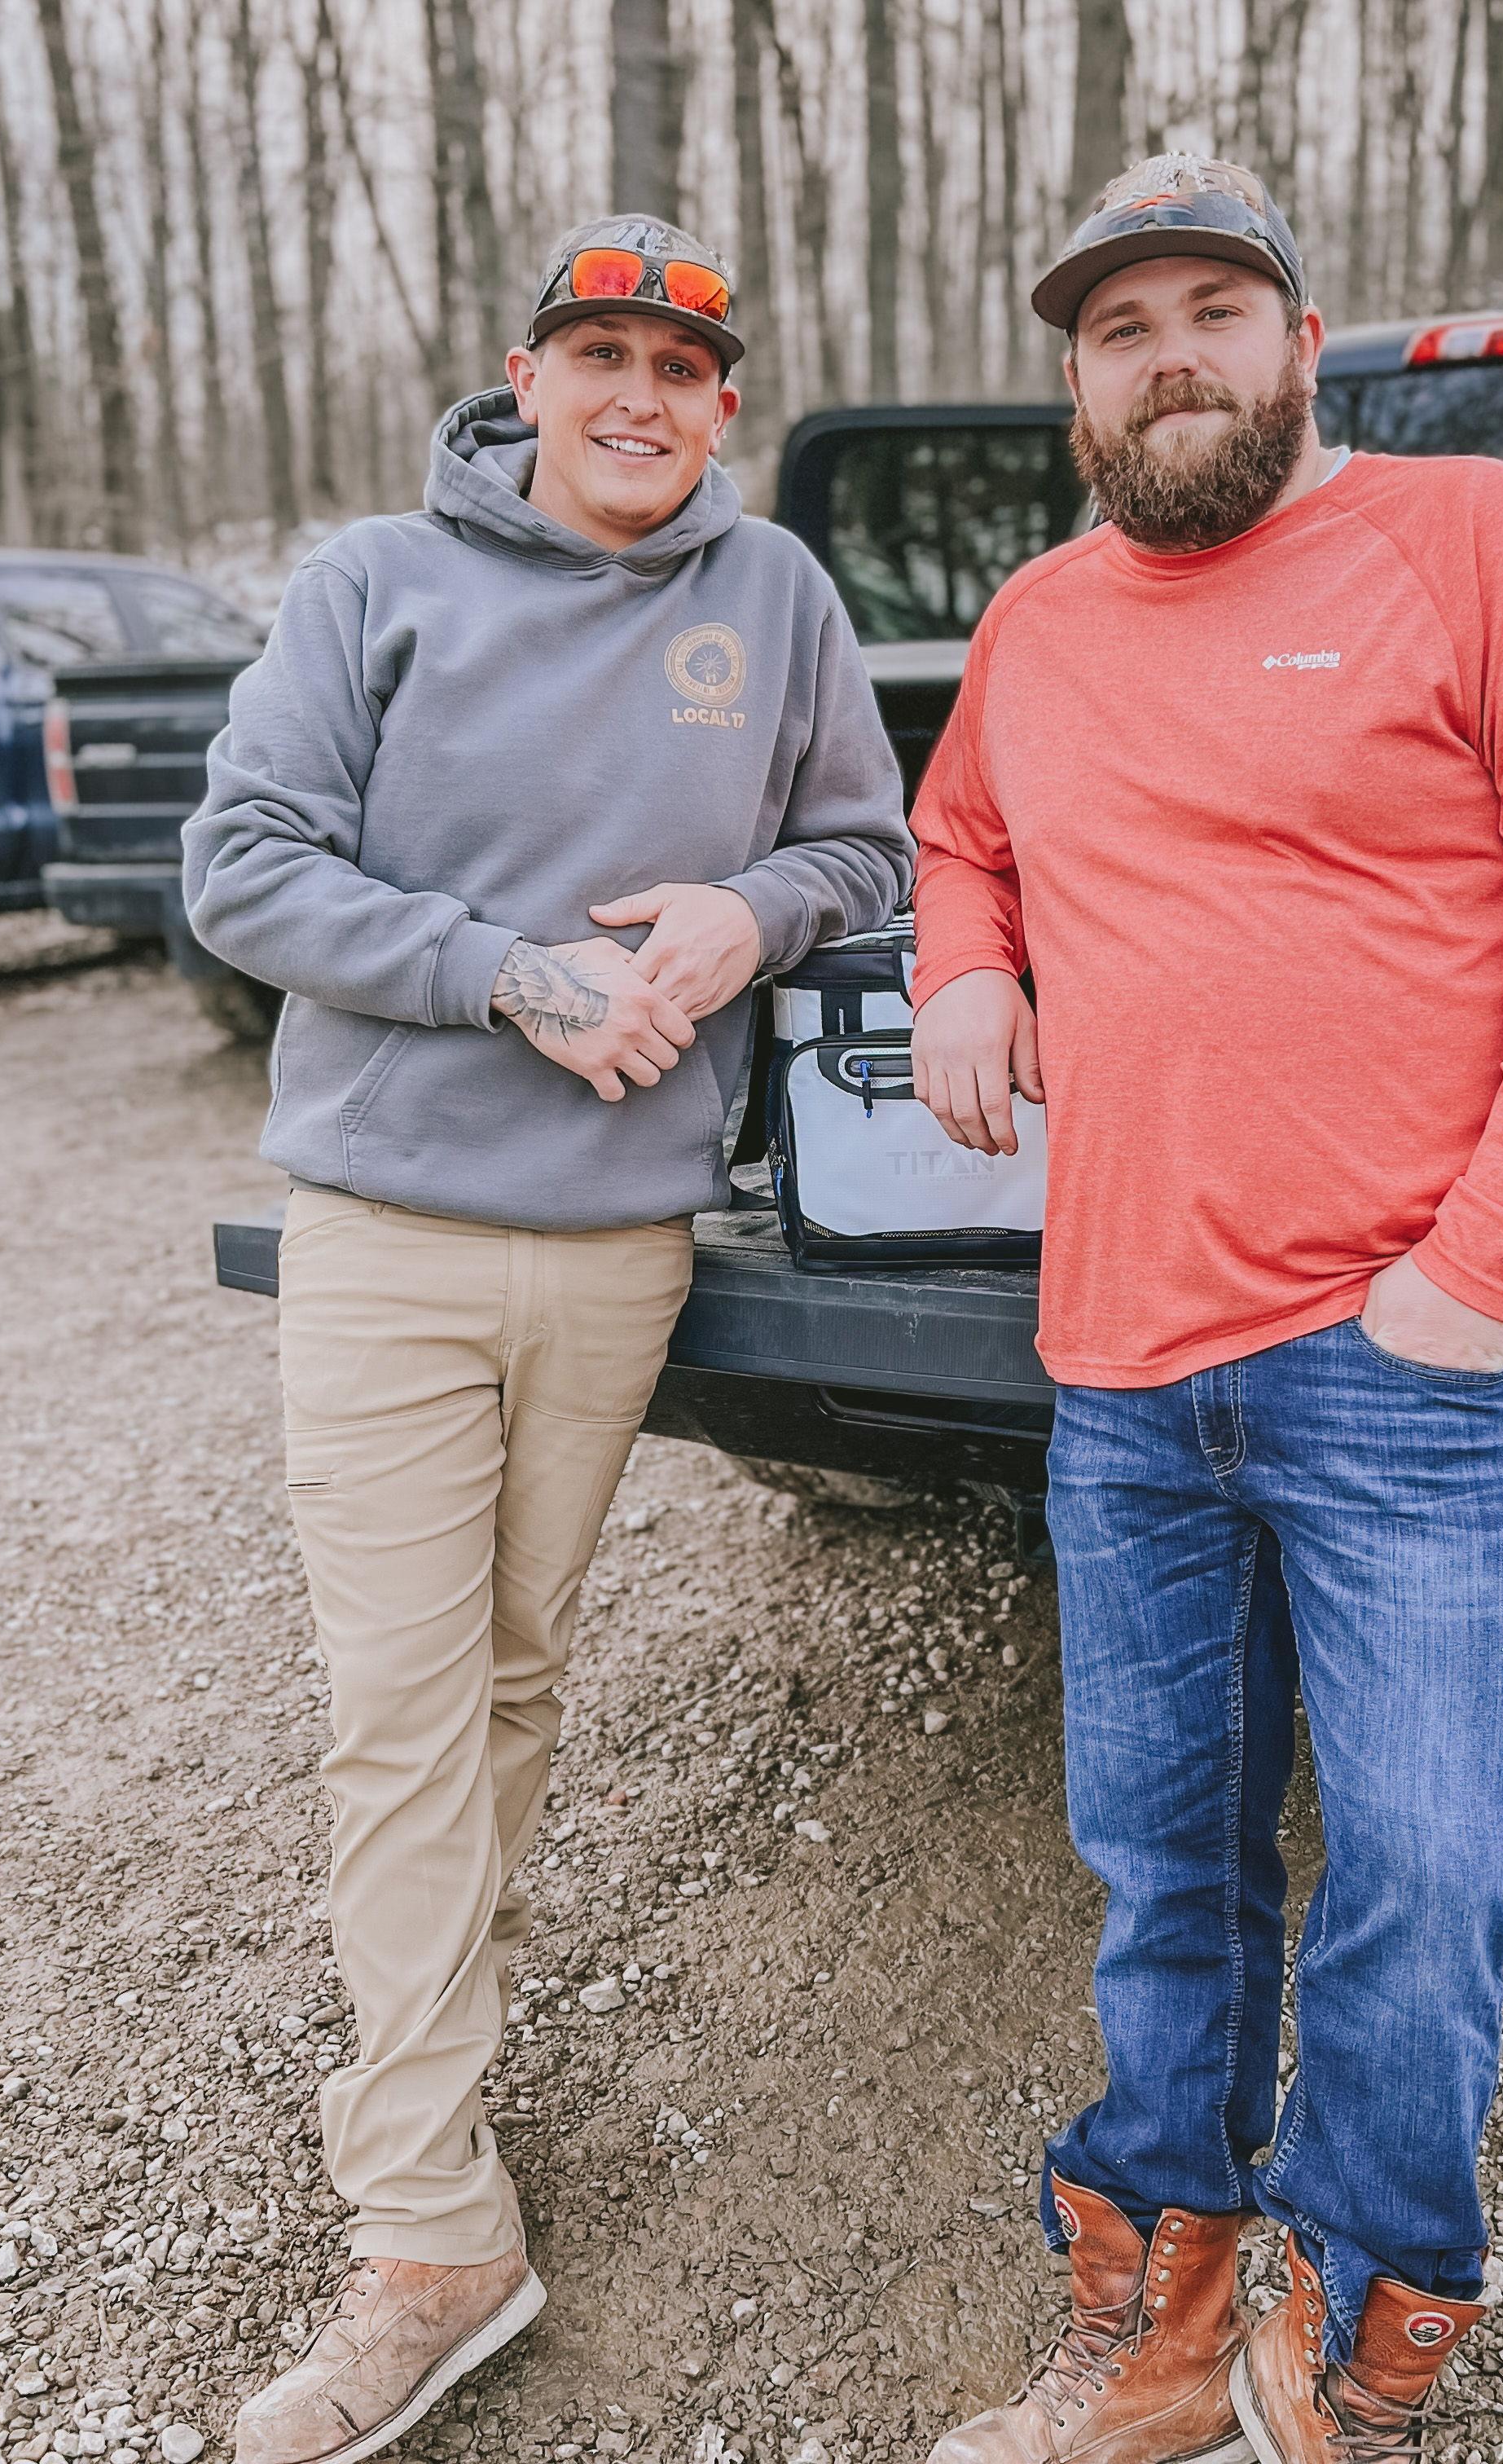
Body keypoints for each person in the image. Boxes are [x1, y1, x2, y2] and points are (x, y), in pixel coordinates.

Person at [909, 156, 1503, 2464]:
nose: (1170, 358)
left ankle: (1362, 2314)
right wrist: (963, 966)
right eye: (1120, 327)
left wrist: (1480, 1261)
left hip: (1431, 1359)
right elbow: (962, 834)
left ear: (1301, 342)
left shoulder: (1480, 543)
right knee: (1162, 1867)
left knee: (1418, 1882)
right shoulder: (1036, 622)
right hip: (1127, 1364)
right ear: (1078, 386)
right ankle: (1161, 2316)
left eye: (1213, 310)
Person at [181, 213, 912, 2464]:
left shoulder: (773, 596)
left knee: (505, 1687)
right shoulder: (376, 580)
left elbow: (869, 856)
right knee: (406, 1719)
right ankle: (429, 2229)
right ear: (528, 380)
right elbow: (244, 867)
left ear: (724, 403)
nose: (638, 399)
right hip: (389, 1237)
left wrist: (747, 912)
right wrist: (510, 976)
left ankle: (435, 2068)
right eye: (600, 355)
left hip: (620, 1256)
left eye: (681, 369)